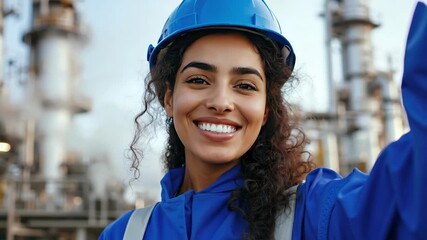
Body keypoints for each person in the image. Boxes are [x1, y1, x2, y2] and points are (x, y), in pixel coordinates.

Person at [99, 0, 427, 239]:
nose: (221, 102)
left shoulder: (315, 217)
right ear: (169, 98)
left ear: (266, 109)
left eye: (245, 85)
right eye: (199, 80)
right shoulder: (125, 234)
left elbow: (410, 193)